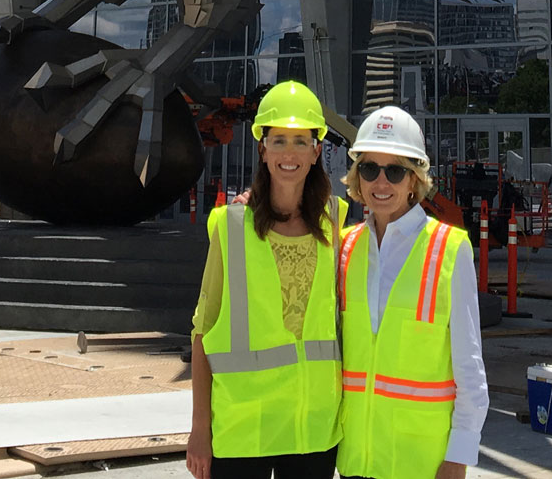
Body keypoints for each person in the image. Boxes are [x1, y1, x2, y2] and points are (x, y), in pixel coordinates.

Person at [187, 80, 344, 479]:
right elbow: (203, 333)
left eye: (299, 141)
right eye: (278, 141)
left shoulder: (338, 224)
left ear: (316, 151)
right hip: (244, 432)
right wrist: (199, 431)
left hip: (313, 431)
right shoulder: (232, 227)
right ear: (262, 148)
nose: (288, 153)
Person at [336, 107, 487, 479]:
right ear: (357, 177)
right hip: (355, 460)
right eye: (370, 169)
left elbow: (469, 366)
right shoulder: (343, 247)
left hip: (423, 464)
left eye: (396, 171)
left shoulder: (450, 249)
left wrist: (459, 456)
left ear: (414, 179)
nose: (381, 182)